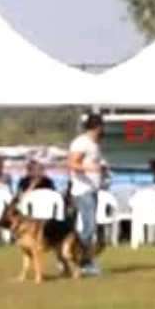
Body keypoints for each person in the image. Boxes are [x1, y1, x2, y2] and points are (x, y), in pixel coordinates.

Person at [68, 113, 105, 276]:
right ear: (97, 127)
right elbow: (72, 163)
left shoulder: (94, 144)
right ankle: (82, 260)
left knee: (88, 227)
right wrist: (92, 169)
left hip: (91, 189)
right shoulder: (82, 143)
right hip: (83, 190)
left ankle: (73, 257)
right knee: (89, 227)